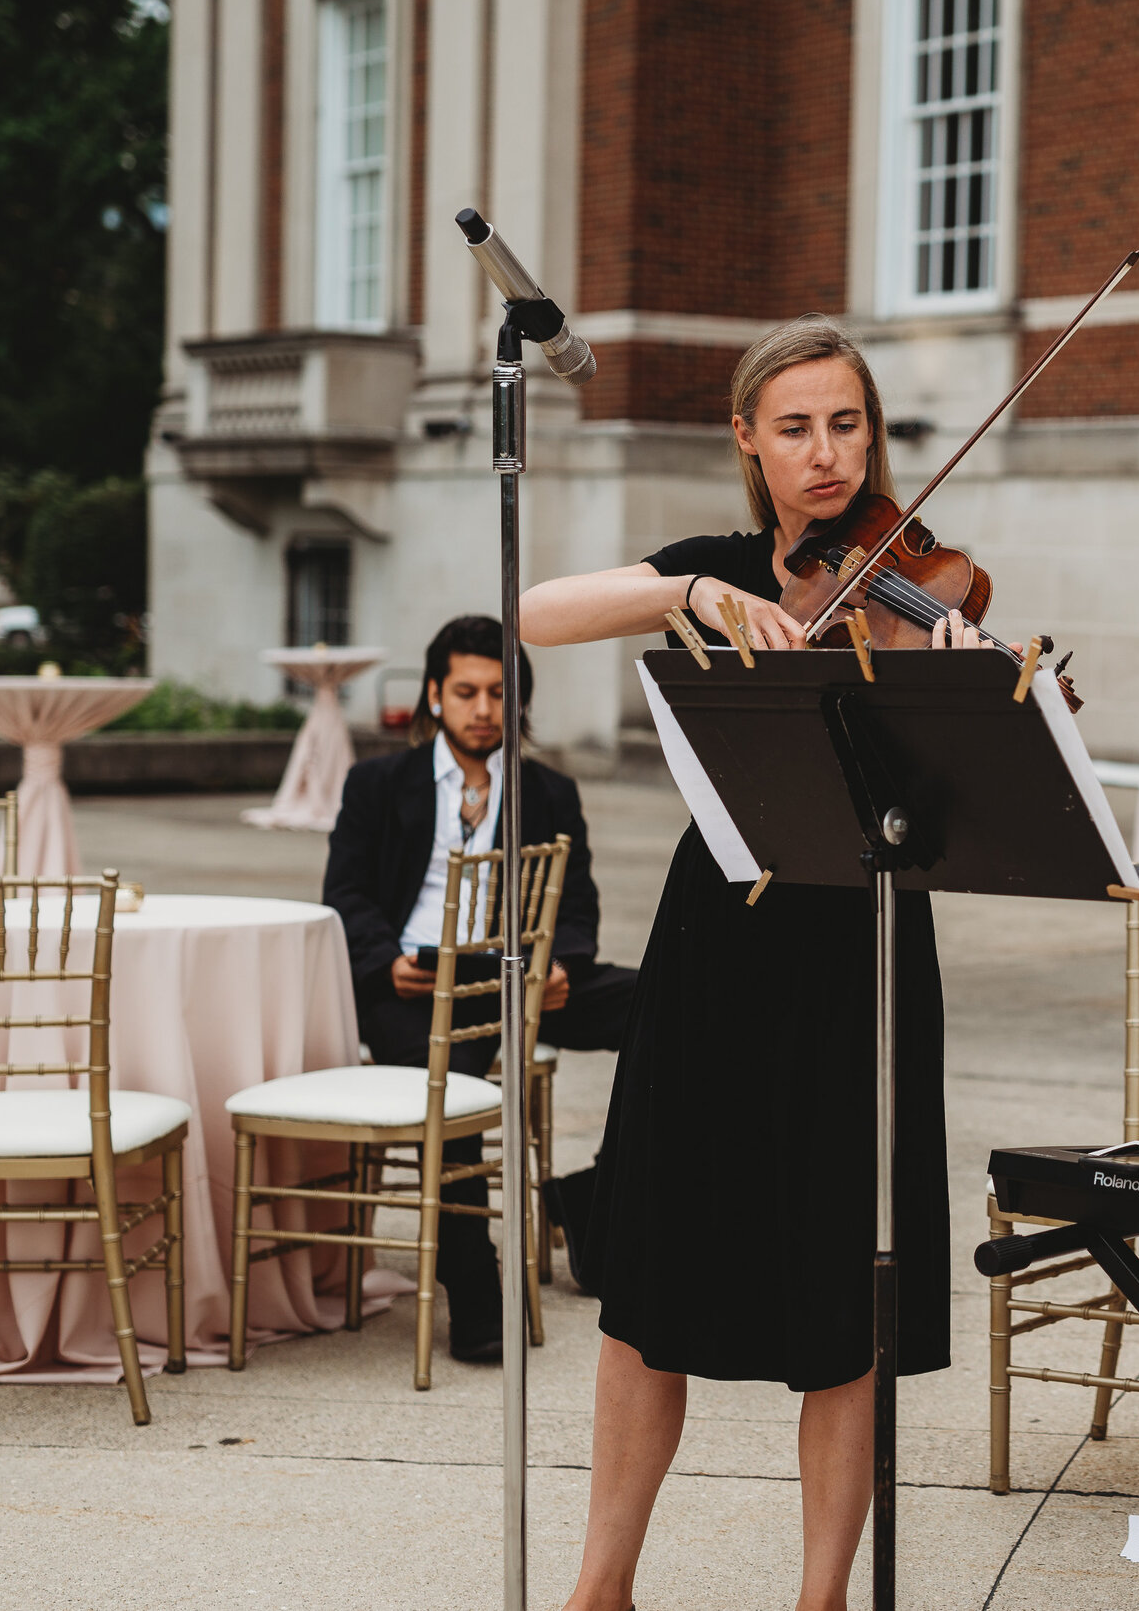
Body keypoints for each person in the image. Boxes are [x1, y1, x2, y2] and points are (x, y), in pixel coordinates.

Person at [519, 315, 998, 1611]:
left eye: (847, 423)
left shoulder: (920, 588)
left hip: (866, 946)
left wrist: (965, 684)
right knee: (649, 1271)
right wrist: (685, 595)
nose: (827, 452)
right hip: (722, 934)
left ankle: (822, 1597)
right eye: (795, 426)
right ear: (748, 438)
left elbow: (968, 788)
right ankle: (599, 1587)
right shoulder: (718, 566)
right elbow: (535, 610)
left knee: (847, 1291)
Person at [322, 615, 640, 1362]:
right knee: (454, 1084)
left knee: (679, 1003)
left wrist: (562, 958)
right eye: (466, 691)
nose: (484, 708)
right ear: (434, 695)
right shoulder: (376, 784)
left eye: (500, 693)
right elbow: (346, 892)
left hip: (523, 974)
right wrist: (383, 959)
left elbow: (580, 902)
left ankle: (591, 1197)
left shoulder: (550, 792)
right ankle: (475, 1286)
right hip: (414, 982)